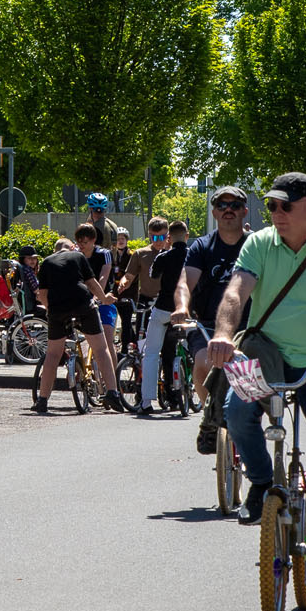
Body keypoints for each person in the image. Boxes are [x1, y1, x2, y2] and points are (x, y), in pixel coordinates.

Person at [205, 172, 306, 583]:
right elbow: (236, 292)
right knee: (235, 414)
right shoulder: (258, 243)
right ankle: (258, 482)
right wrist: (223, 333)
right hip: (266, 357)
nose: (275, 213)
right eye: (271, 205)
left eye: (284, 205)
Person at [176, 185, 250, 451]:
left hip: (249, 326)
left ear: (244, 211)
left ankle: (246, 423)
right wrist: (181, 307)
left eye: (234, 205)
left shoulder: (255, 246)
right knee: (204, 362)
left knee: (258, 379)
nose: (228, 210)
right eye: (222, 205)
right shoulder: (202, 246)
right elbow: (186, 282)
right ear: (214, 212)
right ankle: (210, 417)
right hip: (207, 323)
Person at [31, 237, 122, 413]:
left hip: (58, 308)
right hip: (82, 304)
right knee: (101, 349)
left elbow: (42, 293)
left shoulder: (47, 262)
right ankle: (112, 393)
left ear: (55, 250)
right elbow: (91, 283)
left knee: (52, 355)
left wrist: (51, 311)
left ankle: (42, 400)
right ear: (72, 247)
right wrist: (104, 299)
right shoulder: (78, 256)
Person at [116, 217, 167, 413]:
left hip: (165, 301)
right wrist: (123, 284)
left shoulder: (170, 254)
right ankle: (141, 390)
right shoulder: (141, 254)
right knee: (141, 346)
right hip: (145, 302)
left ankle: (169, 387)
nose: (158, 241)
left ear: (167, 235)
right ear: (149, 235)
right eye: (155, 237)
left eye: (162, 236)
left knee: (167, 346)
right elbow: (129, 276)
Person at [150, 220, 190, 411]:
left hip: (164, 308)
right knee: (194, 347)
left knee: (163, 351)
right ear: (187, 236)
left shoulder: (164, 256)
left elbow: (153, 275)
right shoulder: (193, 256)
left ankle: (168, 396)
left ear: (169, 238)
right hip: (188, 310)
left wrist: (162, 252)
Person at [73, 224, 120, 390]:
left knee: (107, 339)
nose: (81, 245)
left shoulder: (104, 254)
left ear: (93, 240)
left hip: (103, 301)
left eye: (85, 242)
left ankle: (113, 382)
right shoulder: (76, 255)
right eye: (79, 242)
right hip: (83, 303)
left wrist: (97, 297)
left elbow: (103, 277)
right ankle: (80, 370)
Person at [13, 246, 42, 316]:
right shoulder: (28, 270)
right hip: (31, 305)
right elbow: (36, 290)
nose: (33, 261)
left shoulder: (23, 269)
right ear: (23, 259)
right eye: (29, 258)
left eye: (35, 258)